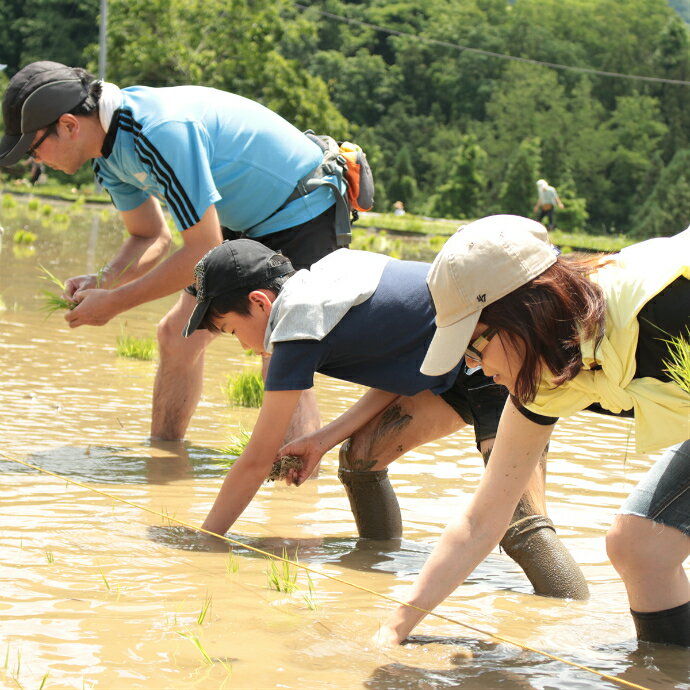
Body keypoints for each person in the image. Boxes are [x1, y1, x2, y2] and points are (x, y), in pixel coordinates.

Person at [181, 237, 590, 599]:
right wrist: (322, 440)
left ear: (259, 302)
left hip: (496, 358)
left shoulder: (295, 324)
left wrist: (204, 542)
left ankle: (575, 629)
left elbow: (256, 458)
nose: (242, 346)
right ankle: (377, 572)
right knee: (361, 458)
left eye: (231, 330)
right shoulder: (327, 275)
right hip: (449, 366)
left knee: (518, 521)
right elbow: (408, 365)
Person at [377, 215, 690, 648]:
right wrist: (395, 627)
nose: (471, 367)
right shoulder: (543, 376)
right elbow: (480, 521)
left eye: (472, 345)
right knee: (641, 547)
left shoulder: (669, 303)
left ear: (524, 312)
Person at [0, 60, 348, 442]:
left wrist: (114, 302)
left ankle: (296, 489)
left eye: (33, 148)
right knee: (176, 337)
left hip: (300, 207)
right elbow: (149, 235)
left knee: (279, 355)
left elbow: (202, 250)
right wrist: (102, 280)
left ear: (68, 125)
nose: (35, 161)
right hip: (238, 221)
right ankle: (164, 461)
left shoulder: (158, 132)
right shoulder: (106, 156)